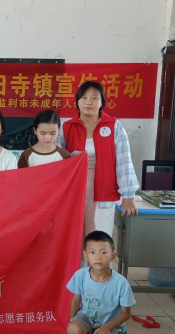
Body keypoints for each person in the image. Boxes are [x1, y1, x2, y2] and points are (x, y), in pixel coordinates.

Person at [58, 81, 139, 237]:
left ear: (102, 102)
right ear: (77, 101)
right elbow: (57, 161)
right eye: (84, 97)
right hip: (73, 191)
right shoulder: (67, 127)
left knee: (100, 236)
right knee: (74, 236)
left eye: (94, 98)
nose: (88, 102)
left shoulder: (114, 126)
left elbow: (124, 161)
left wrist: (128, 194)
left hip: (104, 189)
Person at [67, 231, 135, 334]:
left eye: (103, 252)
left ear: (113, 255)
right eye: (92, 252)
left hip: (110, 322)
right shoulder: (80, 275)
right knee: (73, 331)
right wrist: (71, 321)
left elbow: (126, 313)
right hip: (86, 318)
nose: (97, 257)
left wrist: (107, 327)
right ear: (86, 255)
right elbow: (76, 300)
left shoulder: (121, 283)